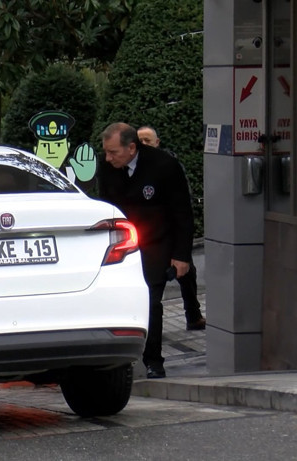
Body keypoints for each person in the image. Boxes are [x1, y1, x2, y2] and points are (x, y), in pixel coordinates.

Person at [97, 122, 195, 379]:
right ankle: (119, 360)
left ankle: (154, 360)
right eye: (106, 152)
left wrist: (181, 255)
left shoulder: (164, 165)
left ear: (131, 148)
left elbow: (182, 212)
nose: (108, 158)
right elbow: (105, 206)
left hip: (156, 243)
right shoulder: (106, 167)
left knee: (151, 301)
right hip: (121, 244)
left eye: (113, 152)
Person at [137, 125, 206, 331]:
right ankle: (148, 326)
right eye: (140, 141)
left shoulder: (170, 165)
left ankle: (193, 316)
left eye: (148, 140)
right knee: (151, 283)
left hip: (171, 232)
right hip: (146, 236)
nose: (144, 144)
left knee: (187, 273)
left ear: (157, 143)